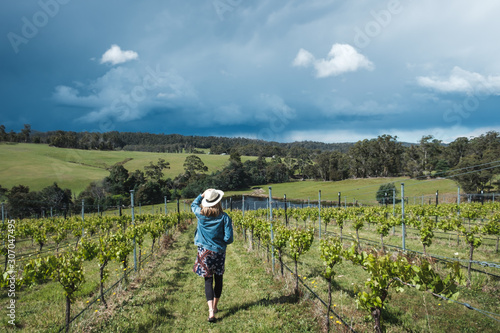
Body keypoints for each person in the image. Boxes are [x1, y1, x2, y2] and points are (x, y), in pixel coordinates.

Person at [191, 188, 233, 323]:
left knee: (208, 280)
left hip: (204, 252)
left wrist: (201, 194)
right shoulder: (224, 217)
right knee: (218, 278)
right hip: (219, 252)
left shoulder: (200, 214)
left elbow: (193, 205)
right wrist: (221, 242)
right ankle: (215, 307)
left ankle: (210, 311)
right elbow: (229, 238)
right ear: (218, 201)